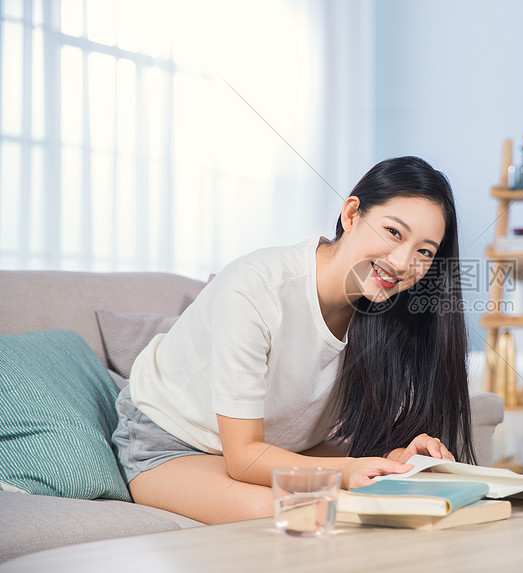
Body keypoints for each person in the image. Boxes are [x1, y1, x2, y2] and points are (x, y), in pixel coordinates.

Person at [112, 156, 475, 524]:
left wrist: (396, 460)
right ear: (351, 215)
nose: (401, 262)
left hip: (275, 449)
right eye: (394, 232)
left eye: (424, 252)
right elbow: (243, 457)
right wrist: (345, 473)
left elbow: (345, 442)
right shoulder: (257, 287)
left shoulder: (387, 315)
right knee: (294, 516)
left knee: (387, 507)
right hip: (171, 443)